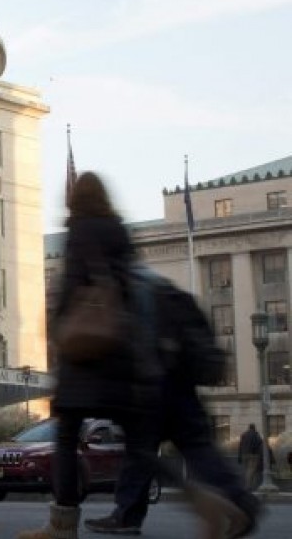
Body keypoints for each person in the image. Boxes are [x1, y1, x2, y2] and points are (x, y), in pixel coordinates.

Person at [20, 172, 243, 539]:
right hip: (124, 357)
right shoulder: (120, 233)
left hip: (86, 354)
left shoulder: (79, 230)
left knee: (66, 436)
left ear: (75, 198)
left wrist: (58, 333)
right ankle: (205, 500)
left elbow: (71, 292)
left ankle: (61, 525)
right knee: (140, 447)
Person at [85, 272, 262, 537]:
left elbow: (131, 342)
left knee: (139, 451)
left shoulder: (123, 284)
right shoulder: (160, 286)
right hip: (182, 382)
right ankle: (241, 500)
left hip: (150, 382)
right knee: (198, 446)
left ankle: (127, 515)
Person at [239, 424, 265, 492]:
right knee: (251, 470)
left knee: (247, 469)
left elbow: (240, 445)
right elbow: (260, 444)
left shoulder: (244, 435)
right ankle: (249, 486)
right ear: (254, 428)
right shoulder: (256, 435)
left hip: (244, 454)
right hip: (253, 454)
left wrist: (239, 456)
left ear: (249, 428)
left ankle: (248, 485)